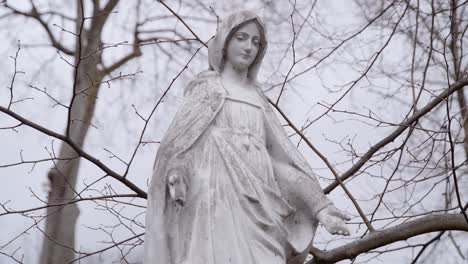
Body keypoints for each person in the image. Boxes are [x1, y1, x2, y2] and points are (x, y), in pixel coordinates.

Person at [143, 10, 350, 264]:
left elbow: (282, 163)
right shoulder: (206, 91)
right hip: (214, 203)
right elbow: (180, 148)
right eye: (241, 37)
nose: (249, 47)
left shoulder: (258, 100)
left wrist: (320, 207)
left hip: (264, 207)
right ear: (224, 42)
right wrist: (177, 175)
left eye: (255, 42)